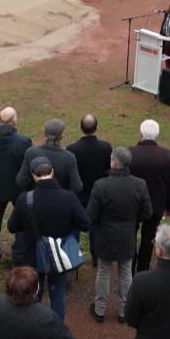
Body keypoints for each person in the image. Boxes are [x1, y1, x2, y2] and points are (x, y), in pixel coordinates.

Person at [7, 158, 91, 320]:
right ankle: (56, 329)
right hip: (60, 255)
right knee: (57, 295)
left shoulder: (25, 199)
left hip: (32, 254)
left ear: (33, 176)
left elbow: (12, 227)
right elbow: (85, 224)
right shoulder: (69, 197)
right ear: (52, 173)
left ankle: (35, 329)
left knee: (33, 295)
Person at [86, 147, 152, 324]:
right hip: (127, 234)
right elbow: (147, 213)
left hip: (106, 235)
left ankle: (100, 310)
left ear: (113, 163)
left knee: (103, 271)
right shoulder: (139, 184)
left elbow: (91, 214)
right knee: (125, 272)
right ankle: (123, 311)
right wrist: (132, 220)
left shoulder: (101, 185)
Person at [127, 119, 170, 273]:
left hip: (132, 205)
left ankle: (129, 267)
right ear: (157, 135)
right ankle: (143, 268)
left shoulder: (130, 153)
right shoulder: (166, 155)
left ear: (141, 133)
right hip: (155, 206)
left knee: (130, 236)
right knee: (148, 238)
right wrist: (169, 207)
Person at [0, 106, 32, 265]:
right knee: (23, 220)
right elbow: (28, 164)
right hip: (19, 188)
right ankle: (18, 253)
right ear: (14, 121)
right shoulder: (24, 141)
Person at [66, 114, 112, 267]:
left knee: (74, 227)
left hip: (78, 195)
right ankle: (97, 258)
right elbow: (108, 170)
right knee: (96, 227)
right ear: (96, 128)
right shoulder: (106, 147)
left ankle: (72, 259)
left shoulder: (72, 149)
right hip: (98, 194)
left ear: (81, 128)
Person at [16, 118, 82, 194]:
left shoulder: (31, 152)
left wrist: (32, 189)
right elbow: (77, 187)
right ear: (61, 137)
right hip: (59, 201)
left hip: (36, 199)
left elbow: (21, 181)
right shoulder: (69, 157)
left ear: (44, 133)